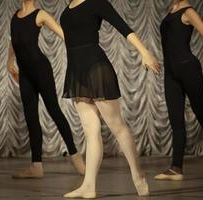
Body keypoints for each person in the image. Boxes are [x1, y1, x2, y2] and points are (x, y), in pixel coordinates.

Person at [59, 0, 161, 198]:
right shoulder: (67, 10)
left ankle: (138, 174)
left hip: (96, 68)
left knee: (117, 126)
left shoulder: (96, 2)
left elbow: (122, 26)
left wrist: (144, 52)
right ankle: (89, 185)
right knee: (90, 131)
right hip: (76, 72)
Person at [8, 0, 85, 178]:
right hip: (25, 74)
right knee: (31, 117)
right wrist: (9, 61)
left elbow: (65, 35)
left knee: (54, 111)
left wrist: (83, 51)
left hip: (41, 70)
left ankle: (77, 159)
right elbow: (13, 40)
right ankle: (36, 166)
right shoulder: (14, 17)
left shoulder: (40, 15)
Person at [154, 0, 203, 181]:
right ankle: (176, 168)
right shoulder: (171, 10)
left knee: (201, 114)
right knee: (176, 121)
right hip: (171, 74)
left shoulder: (188, 12)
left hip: (189, 69)